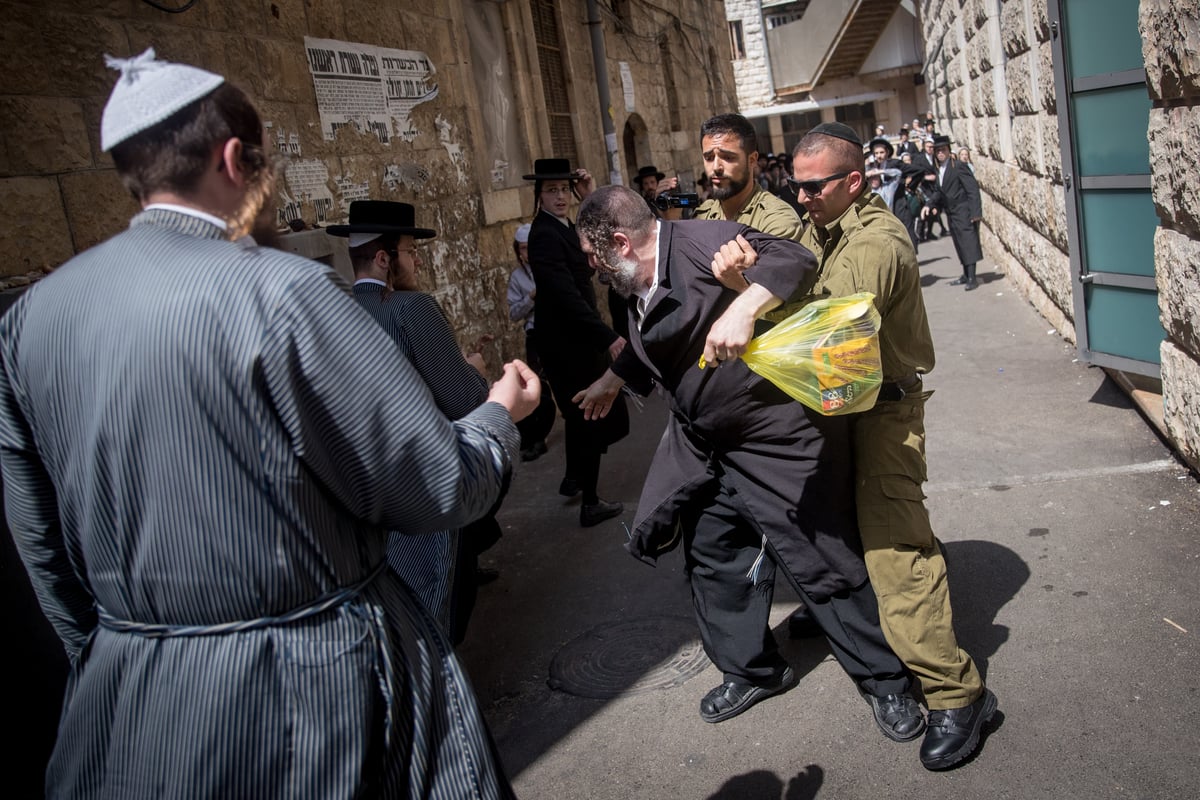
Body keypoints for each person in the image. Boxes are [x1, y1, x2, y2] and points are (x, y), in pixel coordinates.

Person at [0, 49, 539, 797]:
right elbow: (436, 486)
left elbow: (38, 535)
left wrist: (116, 651)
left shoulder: (32, 317)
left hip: (133, 701)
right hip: (312, 691)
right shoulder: (285, 291)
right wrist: (496, 418)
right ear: (234, 160)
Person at [573, 186, 923, 740]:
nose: (591, 268)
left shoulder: (702, 242)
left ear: (620, 241)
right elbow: (651, 344)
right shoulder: (632, 283)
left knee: (820, 557)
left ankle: (888, 682)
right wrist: (613, 381)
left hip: (774, 438)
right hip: (704, 444)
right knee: (714, 558)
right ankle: (755, 669)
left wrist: (742, 305)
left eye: (593, 256)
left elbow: (795, 259)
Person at [715, 121, 997, 771]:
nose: (802, 196)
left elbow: (826, 326)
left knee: (898, 552)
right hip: (843, 405)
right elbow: (792, 256)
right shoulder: (825, 224)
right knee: (847, 537)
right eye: (797, 183)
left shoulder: (878, 240)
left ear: (853, 183)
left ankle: (957, 694)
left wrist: (744, 297)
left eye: (815, 187)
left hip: (883, 417)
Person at [330, 199, 498, 644]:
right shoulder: (412, 309)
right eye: (409, 250)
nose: (417, 259)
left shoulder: (330, 312)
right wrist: (476, 371)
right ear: (385, 259)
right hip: (419, 489)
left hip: (356, 497)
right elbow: (462, 398)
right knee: (436, 611)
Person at [524, 158, 628, 527]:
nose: (559, 197)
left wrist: (588, 198)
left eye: (563, 189)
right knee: (589, 415)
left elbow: (589, 257)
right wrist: (608, 335)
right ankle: (591, 502)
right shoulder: (543, 234)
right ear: (538, 195)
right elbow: (566, 295)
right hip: (567, 343)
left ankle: (574, 479)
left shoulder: (564, 225)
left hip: (577, 340)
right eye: (551, 190)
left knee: (581, 413)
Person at [694, 113, 804, 241]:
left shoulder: (777, 220)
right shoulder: (702, 215)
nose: (716, 167)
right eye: (709, 158)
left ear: (752, 160)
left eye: (728, 157)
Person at [507, 222, 556, 461]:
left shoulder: (551, 267)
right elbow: (514, 313)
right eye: (523, 249)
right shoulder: (517, 278)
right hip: (535, 334)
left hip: (557, 330)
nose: (528, 254)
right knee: (538, 386)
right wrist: (530, 298)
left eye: (531, 248)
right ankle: (538, 438)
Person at [933, 134, 985, 289]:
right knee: (959, 243)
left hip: (963, 210)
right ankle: (965, 274)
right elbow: (939, 191)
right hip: (951, 212)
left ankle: (972, 277)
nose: (940, 153)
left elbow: (972, 189)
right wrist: (930, 205)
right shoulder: (939, 169)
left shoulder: (959, 166)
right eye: (937, 151)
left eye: (943, 150)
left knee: (968, 243)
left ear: (949, 151)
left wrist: (975, 213)